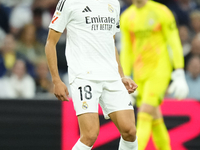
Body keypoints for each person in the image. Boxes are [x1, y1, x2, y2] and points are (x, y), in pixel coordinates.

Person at [45, 0, 138, 150]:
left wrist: (121, 75)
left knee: (130, 131)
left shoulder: (114, 3)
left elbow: (110, 42)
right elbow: (50, 42)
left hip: (111, 76)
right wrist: (56, 80)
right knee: (89, 135)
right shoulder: (69, 2)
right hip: (84, 76)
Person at [120, 0, 189, 150]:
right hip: (140, 74)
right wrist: (124, 77)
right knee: (155, 117)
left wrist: (179, 71)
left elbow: (174, 40)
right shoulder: (126, 17)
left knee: (144, 113)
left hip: (160, 70)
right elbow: (127, 50)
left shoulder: (161, 11)